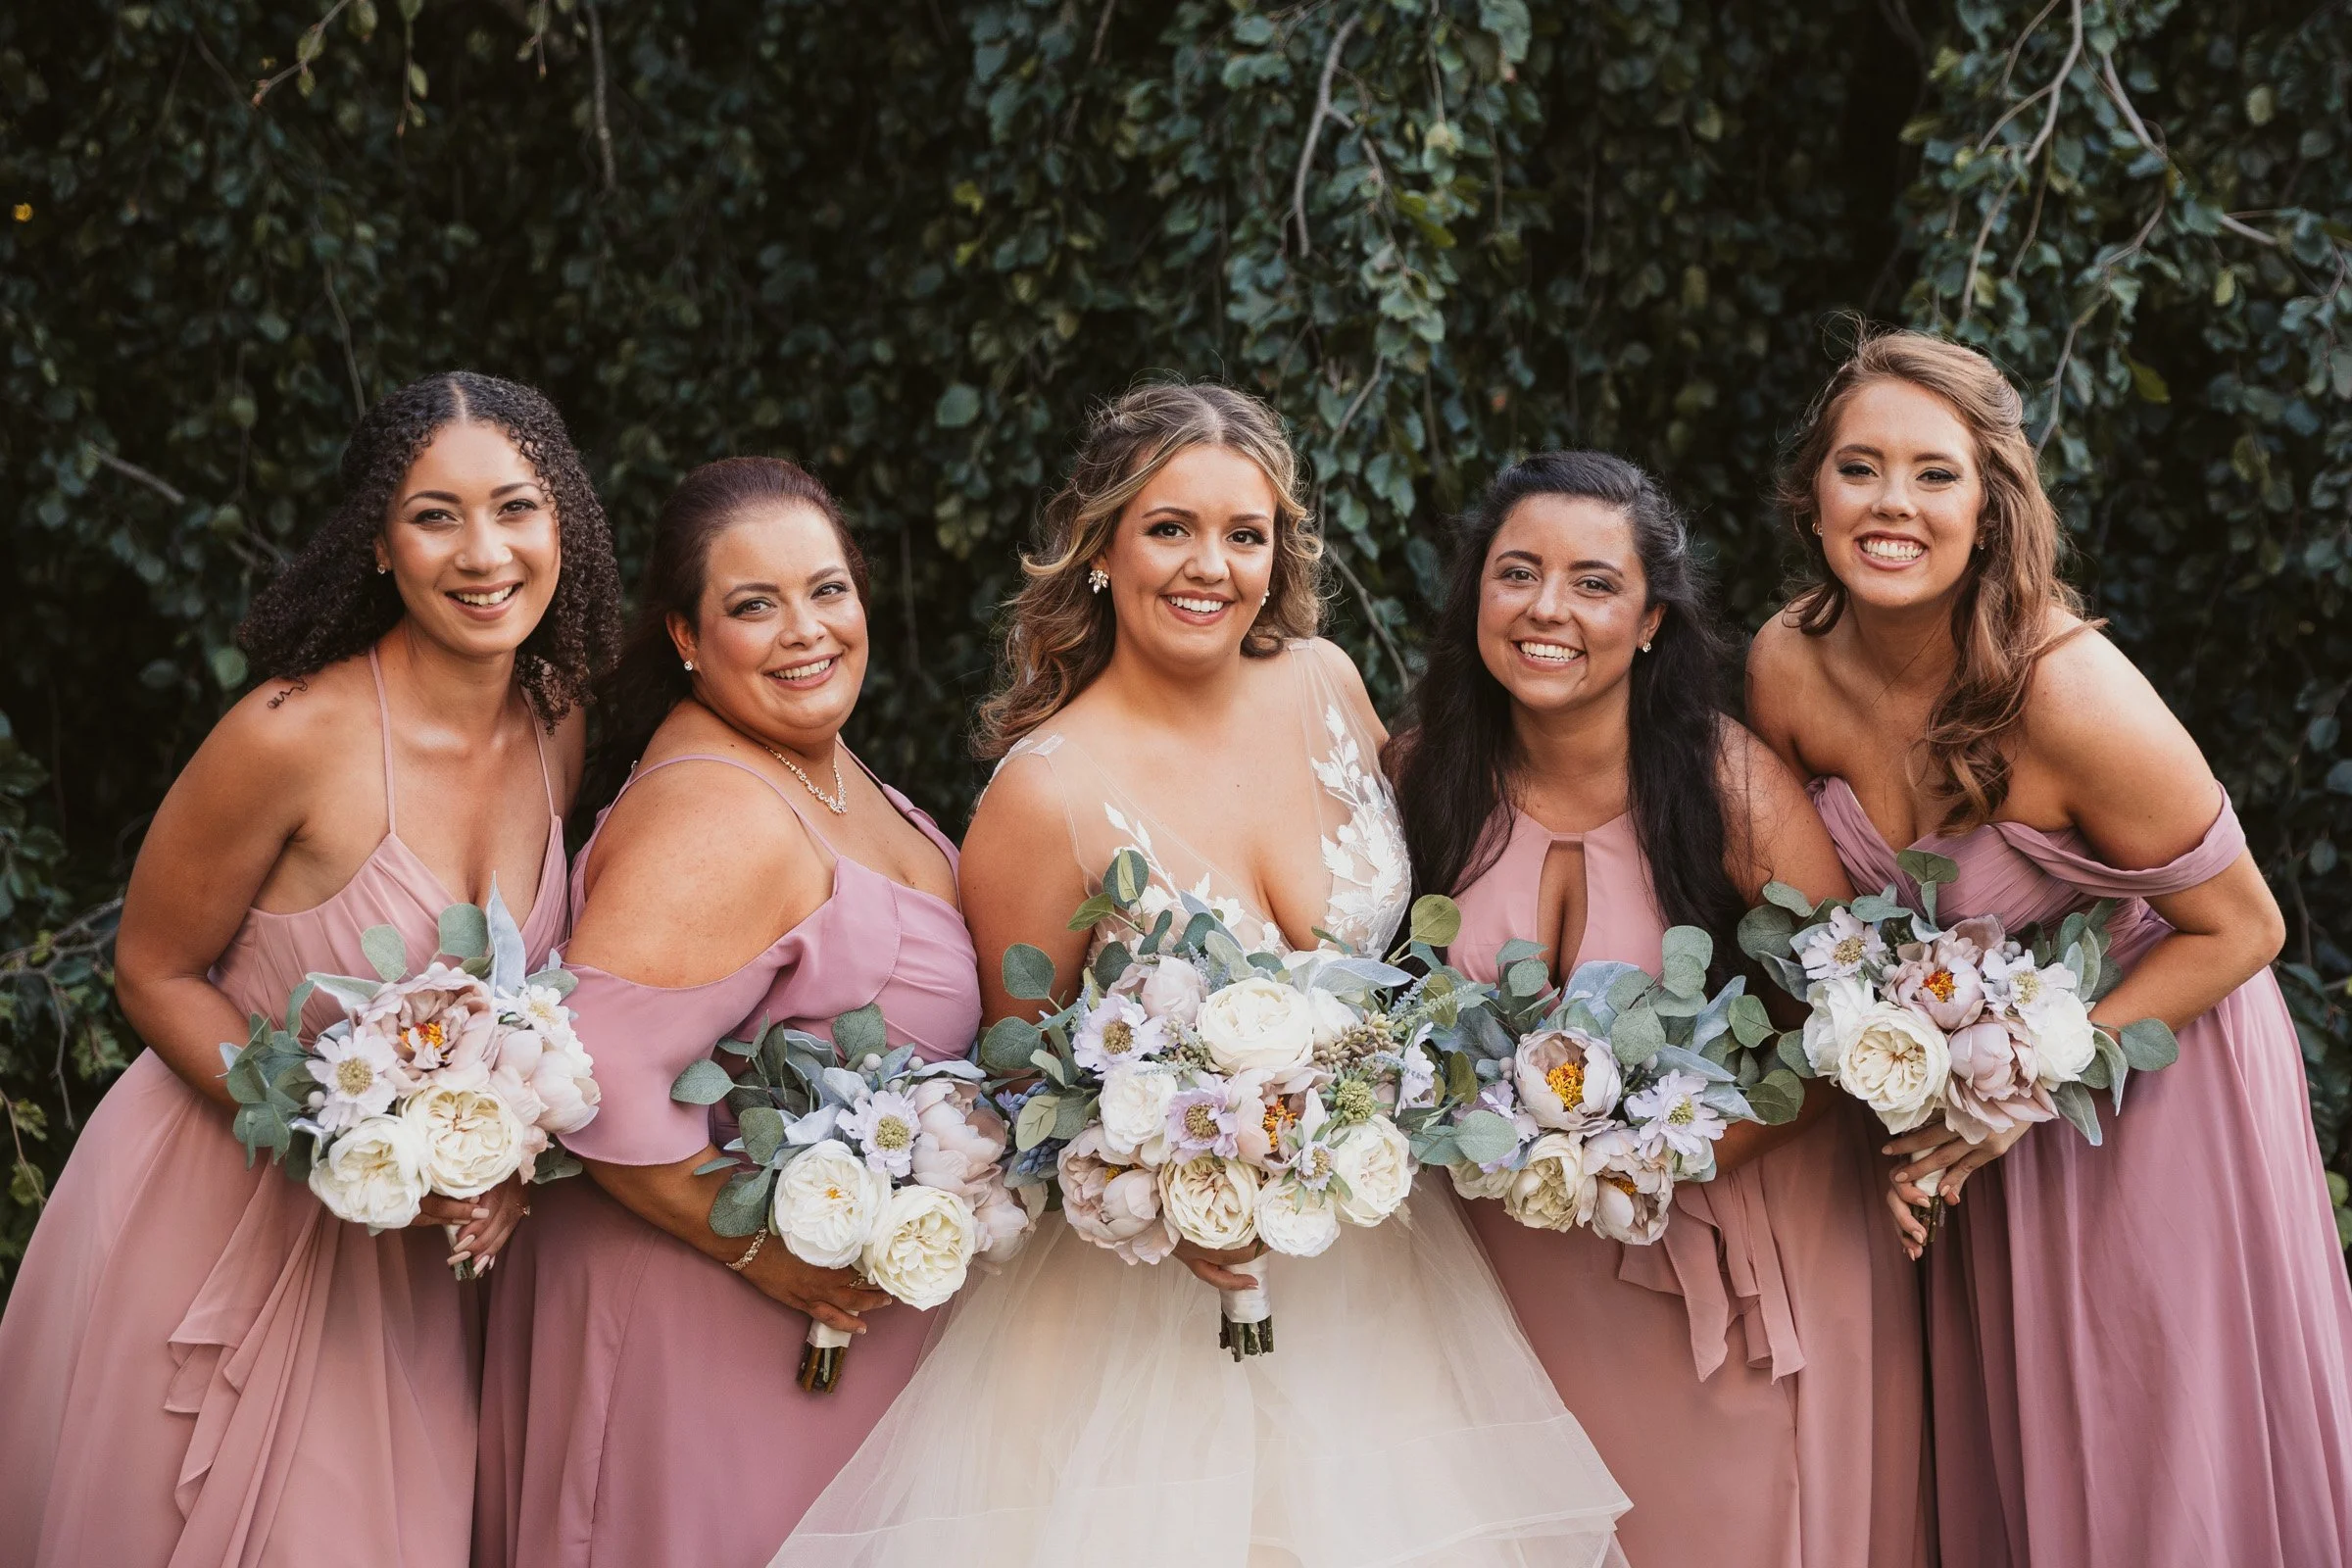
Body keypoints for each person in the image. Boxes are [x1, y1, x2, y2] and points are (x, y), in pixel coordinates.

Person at [771, 383, 1629, 1568]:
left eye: (1245, 533)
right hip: (1147, 1321)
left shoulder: (1325, 681)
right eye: (1170, 528)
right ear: (1101, 548)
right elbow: (1014, 1084)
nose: (1209, 567)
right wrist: (1160, 1189)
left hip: (1384, 1280)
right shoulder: (1046, 791)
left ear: (1278, 556)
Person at [1747, 326, 2352, 1568]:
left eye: (1935, 473)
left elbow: (2246, 925)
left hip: (2152, 1077)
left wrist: (2015, 1091)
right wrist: (1909, 1089)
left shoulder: (2068, 692)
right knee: (2026, 1466)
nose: (1893, 503)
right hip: (1969, 1114)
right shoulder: (1785, 667)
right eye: (1860, 468)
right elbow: (1821, 928)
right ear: (1811, 496)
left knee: (2155, 1457)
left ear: (1991, 509)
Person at [0, 371, 621, 1567]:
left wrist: (505, 1163)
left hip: (421, 1270)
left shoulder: (559, 720)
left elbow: (514, 1015)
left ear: (566, 524)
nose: (483, 552)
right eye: (434, 516)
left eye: (516, 507)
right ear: (379, 545)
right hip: (221, 1218)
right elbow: (152, 970)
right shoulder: (287, 735)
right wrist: (329, 1139)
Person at [1388, 448, 1930, 1567]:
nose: (1547, 609)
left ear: (1649, 623)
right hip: (1500, 1282)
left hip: (1710, 1273)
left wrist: (1669, 1158)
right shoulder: (1424, 776)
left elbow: (1843, 1034)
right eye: (1517, 573)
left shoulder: (1727, 786)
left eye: (1593, 583)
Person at [473, 457, 985, 1568]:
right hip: (705, 1329)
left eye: (828, 590)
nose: (806, 631)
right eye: (755, 605)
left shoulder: (818, 766)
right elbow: (593, 1072)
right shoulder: (720, 806)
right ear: (687, 637)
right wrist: (761, 1252)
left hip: (803, 1337)